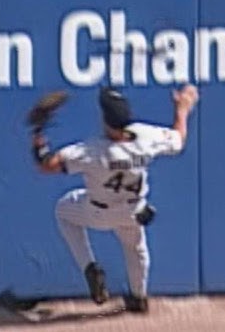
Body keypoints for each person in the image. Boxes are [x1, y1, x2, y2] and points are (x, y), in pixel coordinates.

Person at [30, 84, 199, 313]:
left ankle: (90, 267)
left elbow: (46, 165)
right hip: (132, 211)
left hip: (97, 210)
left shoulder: (92, 151)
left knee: (63, 211)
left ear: (105, 120)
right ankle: (139, 297)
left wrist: (38, 134)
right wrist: (183, 109)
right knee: (137, 250)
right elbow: (178, 140)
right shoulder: (145, 137)